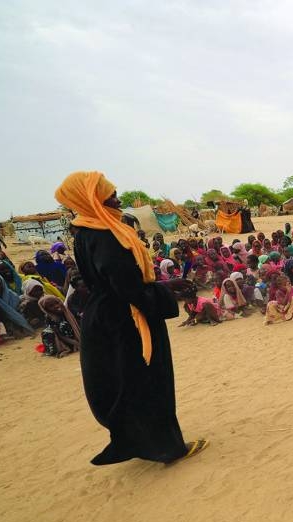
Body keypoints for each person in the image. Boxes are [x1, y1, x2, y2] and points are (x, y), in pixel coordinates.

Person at [55, 171, 207, 466]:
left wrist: (159, 287)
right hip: (126, 318)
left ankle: (141, 442)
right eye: (110, 195)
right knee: (148, 380)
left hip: (111, 312)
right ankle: (167, 447)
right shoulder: (104, 235)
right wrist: (164, 291)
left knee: (130, 381)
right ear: (92, 199)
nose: (118, 198)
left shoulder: (87, 231)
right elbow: (126, 285)